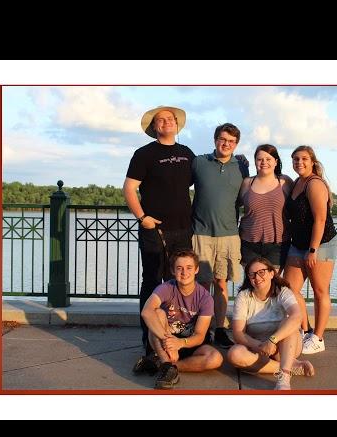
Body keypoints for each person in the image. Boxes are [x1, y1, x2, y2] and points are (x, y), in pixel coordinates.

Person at [123, 106, 195, 354]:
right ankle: (150, 340)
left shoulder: (186, 153)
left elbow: (202, 179)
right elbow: (129, 188)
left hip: (183, 230)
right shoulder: (144, 154)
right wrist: (142, 217)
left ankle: (177, 336)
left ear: (177, 124)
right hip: (155, 231)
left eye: (170, 119)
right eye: (160, 120)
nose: (166, 122)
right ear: (154, 127)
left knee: (180, 283)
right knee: (153, 281)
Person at [191, 123, 249, 348]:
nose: (226, 144)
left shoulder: (241, 166)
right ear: (215, 140)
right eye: (223, 139)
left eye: (231, 141)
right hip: (201, 233)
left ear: (236, 144)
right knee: (203, 284)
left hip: (228, 234)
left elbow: (246, 196)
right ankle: (202, 329)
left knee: (222, 284)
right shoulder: (199, 162)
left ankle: (220, 328)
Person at [136, 249, 223, 390]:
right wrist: (169, 343)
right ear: (172, 271)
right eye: (179, 268)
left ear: (196, 270)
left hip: (189, 342)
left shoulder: (205, 297)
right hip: (163, 340)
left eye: (189, 268)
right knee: (157, 313)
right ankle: (166, 363)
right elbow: (146, 312)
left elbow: (200, 336)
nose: (184, 272)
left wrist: (180, 343)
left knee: (215, 359)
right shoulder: (166, 288)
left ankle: (165, 366)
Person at [227, 257, 315, 390]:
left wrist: (272, 340)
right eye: (252, 274)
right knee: (234, 354)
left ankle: (284, 379)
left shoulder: (283, 291)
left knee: (288, 323)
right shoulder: (244, 297)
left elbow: (297, 316)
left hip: (285, 345)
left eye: (261, 272)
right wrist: (261, 345)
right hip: (259, 347)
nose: (257, 277)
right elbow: (238, 333)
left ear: (271, 273)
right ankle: (292, 366)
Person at [283, 146, 337, 355]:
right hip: (298, 244)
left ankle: (318, 338)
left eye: (304, 158)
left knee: (319, 290)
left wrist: (313, 250)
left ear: (312, 161)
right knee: (289, 289)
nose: (300, 162)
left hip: (320, 244)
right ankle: (305, 331)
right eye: (296, 159)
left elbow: (320, 219)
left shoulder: (314, 184)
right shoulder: (297, 182)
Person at [238, 144, 293, 271]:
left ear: (276, 162)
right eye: (259, 159)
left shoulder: (285, 182)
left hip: (277, 245)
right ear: (255, 162)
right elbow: (234, 205)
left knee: (274, 281)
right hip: (249, 244)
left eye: (268, 159)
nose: (264, 162)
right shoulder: (247, 183)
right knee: (252, 281)